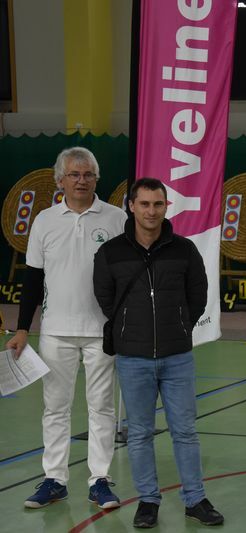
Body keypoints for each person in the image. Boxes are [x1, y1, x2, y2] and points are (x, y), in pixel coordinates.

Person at [93, 178, 223, 528]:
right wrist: (129, 327)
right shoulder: (111, 252)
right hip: (132, 358)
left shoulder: (184, 249)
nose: (151, 211)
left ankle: (195, 499)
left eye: (158, 204)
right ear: (131, 206)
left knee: (185, 431)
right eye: (145, 204)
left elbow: (198, 295)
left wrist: (179, 325)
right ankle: (148, 501)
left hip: (177, 356)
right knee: (139, 433)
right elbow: (105, 298)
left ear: (166, 207)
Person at [6, 147, 127, 509]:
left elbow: (127, 277)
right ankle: (54, 480)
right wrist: (22, 329)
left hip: (102, 332)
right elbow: (33, 278)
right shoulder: (44, 221)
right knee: (55, 407)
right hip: (55, 331)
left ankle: (100, 480)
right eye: (74, 174)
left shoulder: (117, 219)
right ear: (59, 180)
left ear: (96, 178)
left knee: (102, 407)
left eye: (88, 174)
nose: (81, 181)